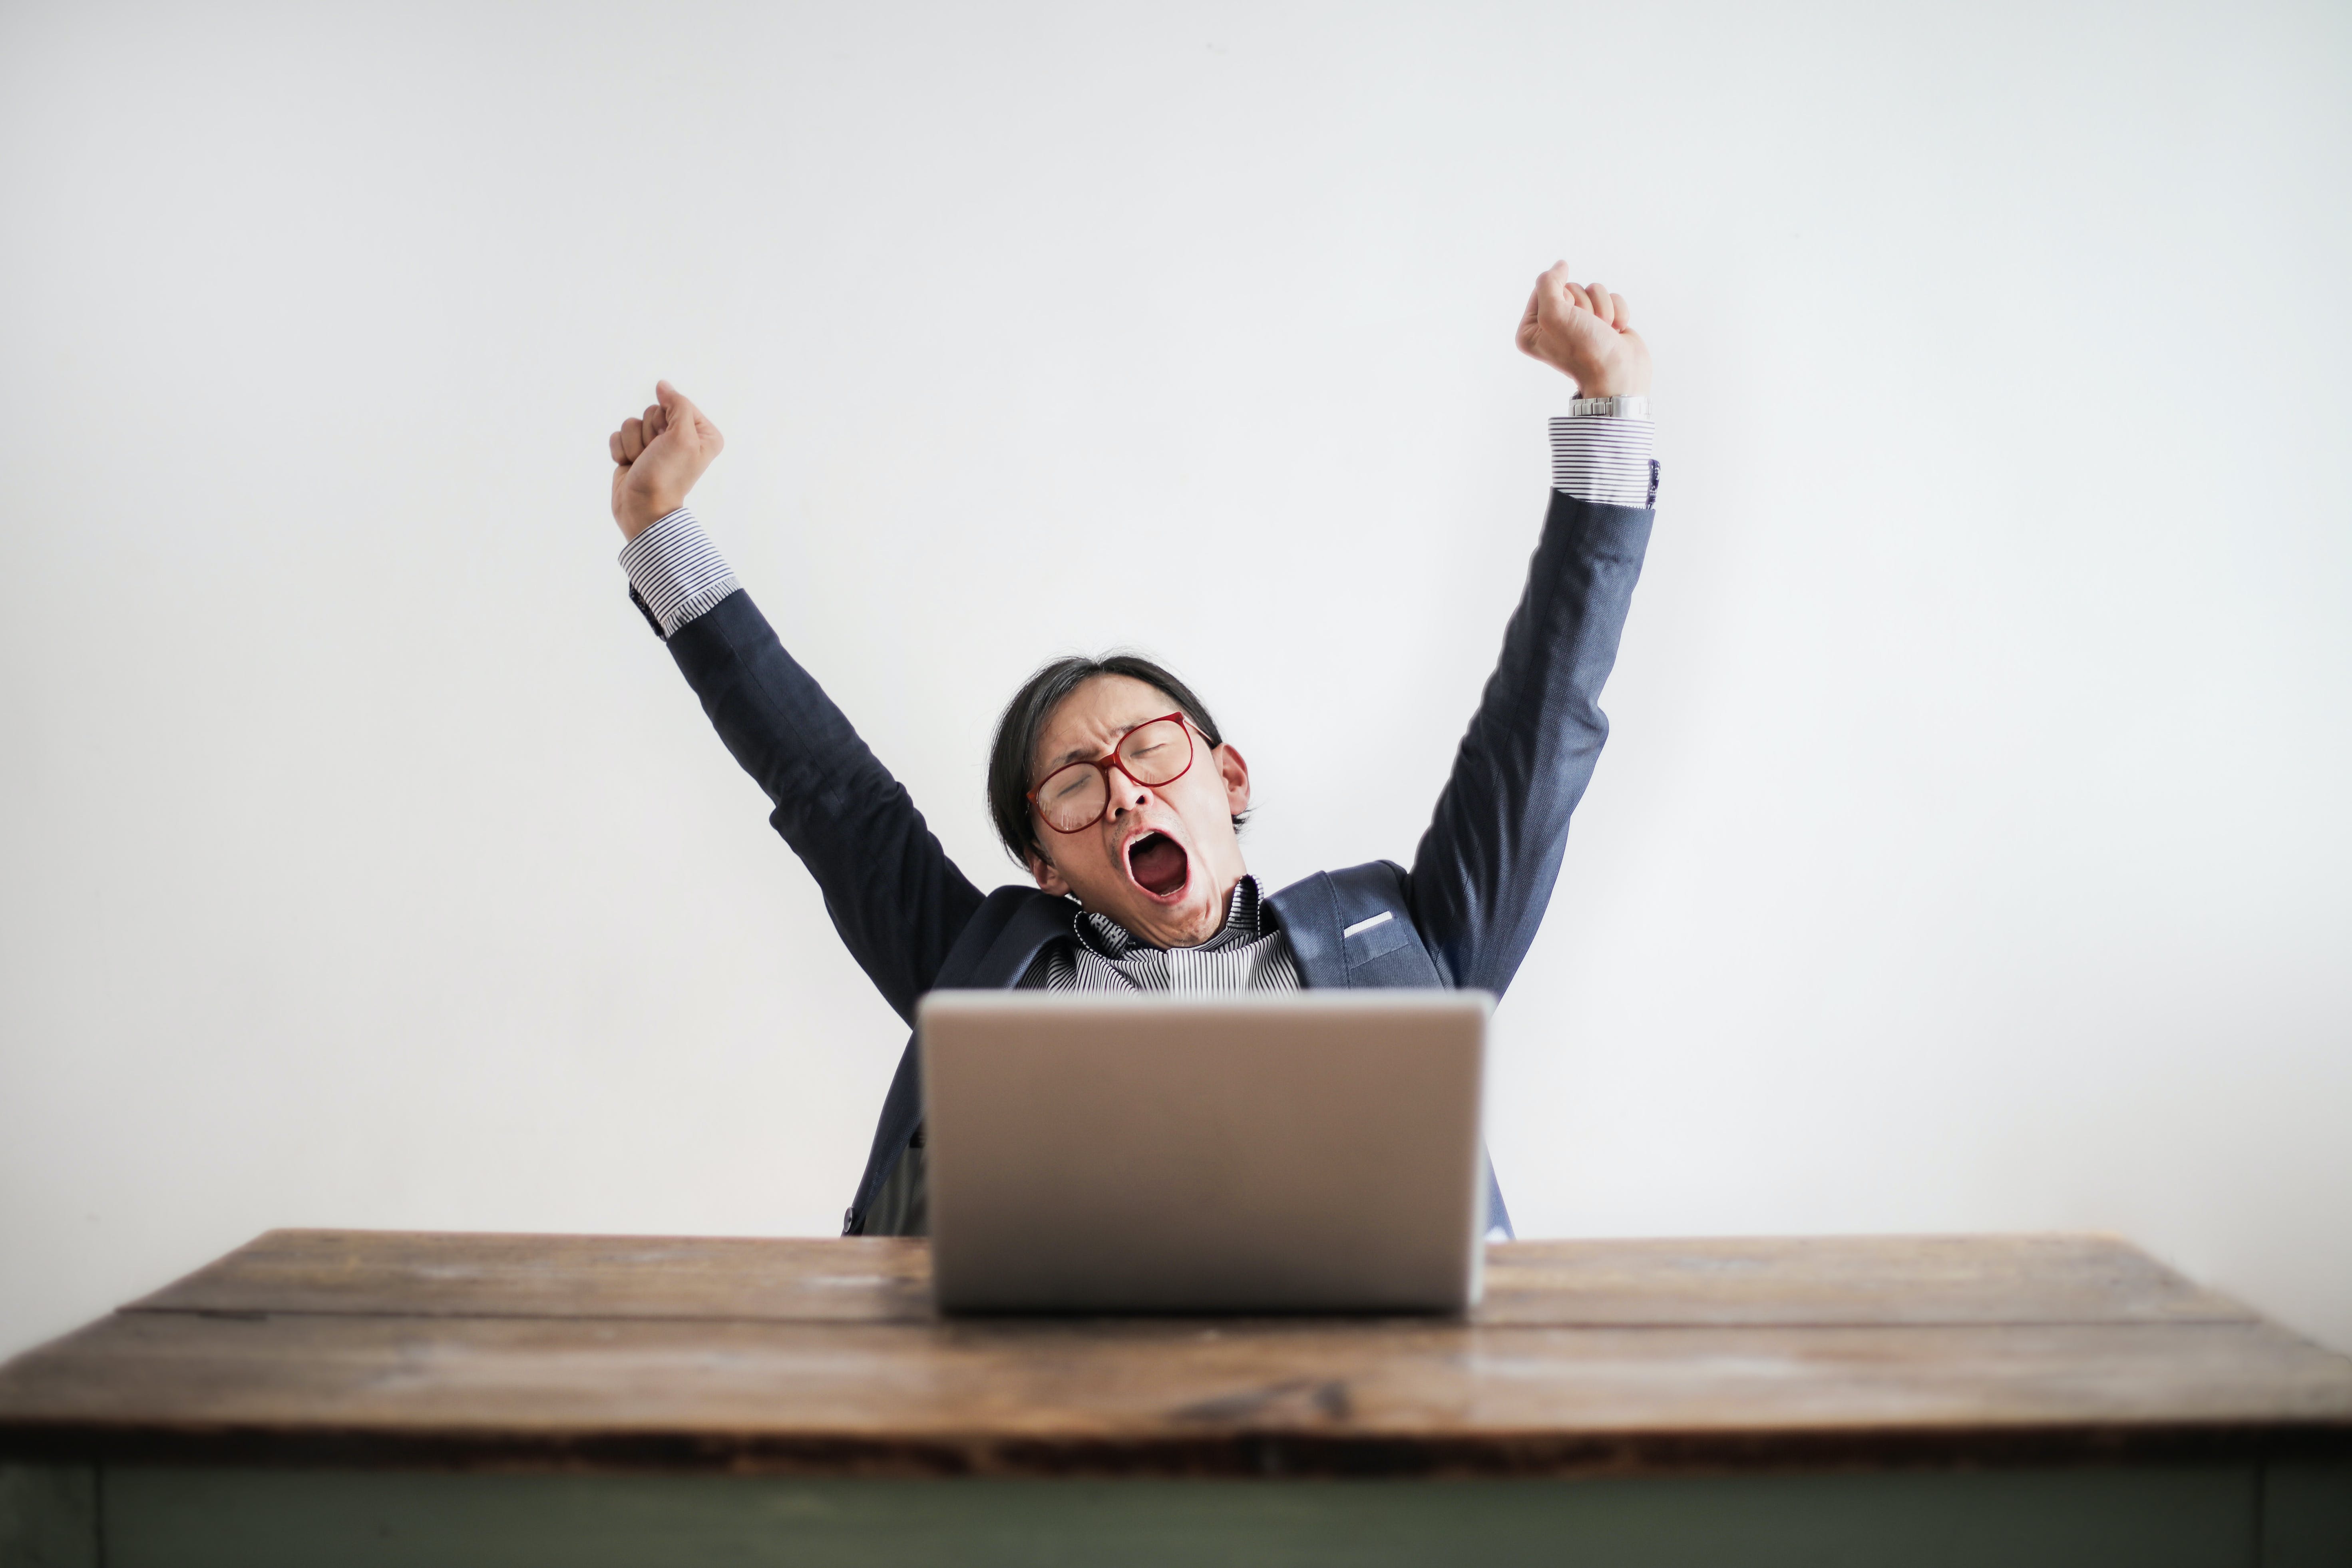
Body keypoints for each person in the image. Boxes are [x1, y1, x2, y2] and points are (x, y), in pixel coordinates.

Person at [605, 261, 1657, 1238]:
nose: (1119, 793)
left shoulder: (1408, 938)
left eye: (1150, 750)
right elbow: (832, 793)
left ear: (1227, 775)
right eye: (1071, 783)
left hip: (1359, 1406)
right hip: (1044, 1410)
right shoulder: (983, 976)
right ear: (1043, 863)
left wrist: (1609, 416)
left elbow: (1543, 721)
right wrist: (660, 529)